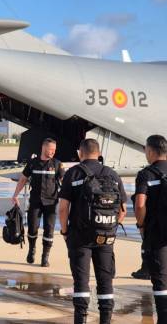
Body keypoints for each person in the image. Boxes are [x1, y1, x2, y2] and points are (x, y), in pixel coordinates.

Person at [59, 139, 127, 324]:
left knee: (81, 281)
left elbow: (63, 208)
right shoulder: (112, 174)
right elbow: (123, 210)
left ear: (80, 153)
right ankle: (105, 319)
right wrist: (110, 227)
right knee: (105, 281)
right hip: (105, 236)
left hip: (79, 236)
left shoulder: (73, 173)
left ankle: (80, 319)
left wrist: (65, 231)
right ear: (98, 153)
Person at [12, 138, 65, 267]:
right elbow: (23, 179)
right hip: (35, 202)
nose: (53, 152)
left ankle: (45, 257)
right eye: (51, 149)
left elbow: (64, 182)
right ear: (43, 148)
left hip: (51, 204)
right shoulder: (33, 163)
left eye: (54, 150)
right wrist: (15, 195)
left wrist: (69, 198)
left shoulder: (57, 164)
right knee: (32, 228)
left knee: (49, 230)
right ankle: (32, 250)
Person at [134, 135, 167, 323]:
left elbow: (139, 205)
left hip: (156, 233)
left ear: (151, 151)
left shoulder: (147, 174)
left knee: (161, 278)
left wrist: (141, 225)